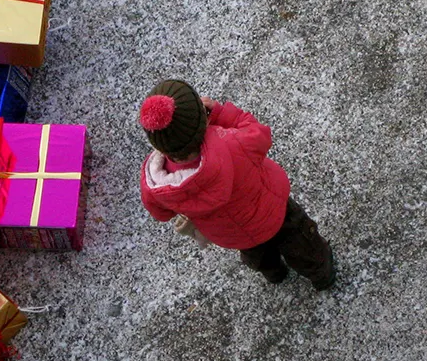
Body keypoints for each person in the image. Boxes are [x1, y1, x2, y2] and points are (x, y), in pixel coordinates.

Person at [137, 78, 335, 289]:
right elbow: (261, 135)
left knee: (260, 257)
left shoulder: (155, 182)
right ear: (202, 119)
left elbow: (161, 214)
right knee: (305, 247)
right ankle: (323, 277)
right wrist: (222, 115)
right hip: (273, 212)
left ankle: (276, 275)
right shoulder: (232, 143)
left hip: (235, 237)